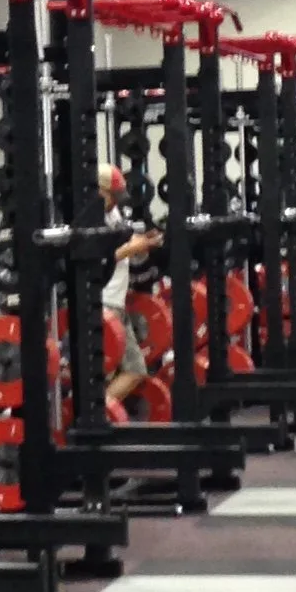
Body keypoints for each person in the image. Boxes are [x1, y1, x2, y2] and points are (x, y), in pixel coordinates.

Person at [99, 163, 162, 413]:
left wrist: (146, 241)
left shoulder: (113, 214)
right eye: (112, 196)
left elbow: (123, 241)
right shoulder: (89, 218)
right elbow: (99, 256)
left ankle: (96, 415)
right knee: (102, 373)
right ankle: (88, 419)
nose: (116, 202)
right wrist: (132, 248)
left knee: (135, 371)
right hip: (102, 303)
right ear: (99, 192)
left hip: (117, 303)